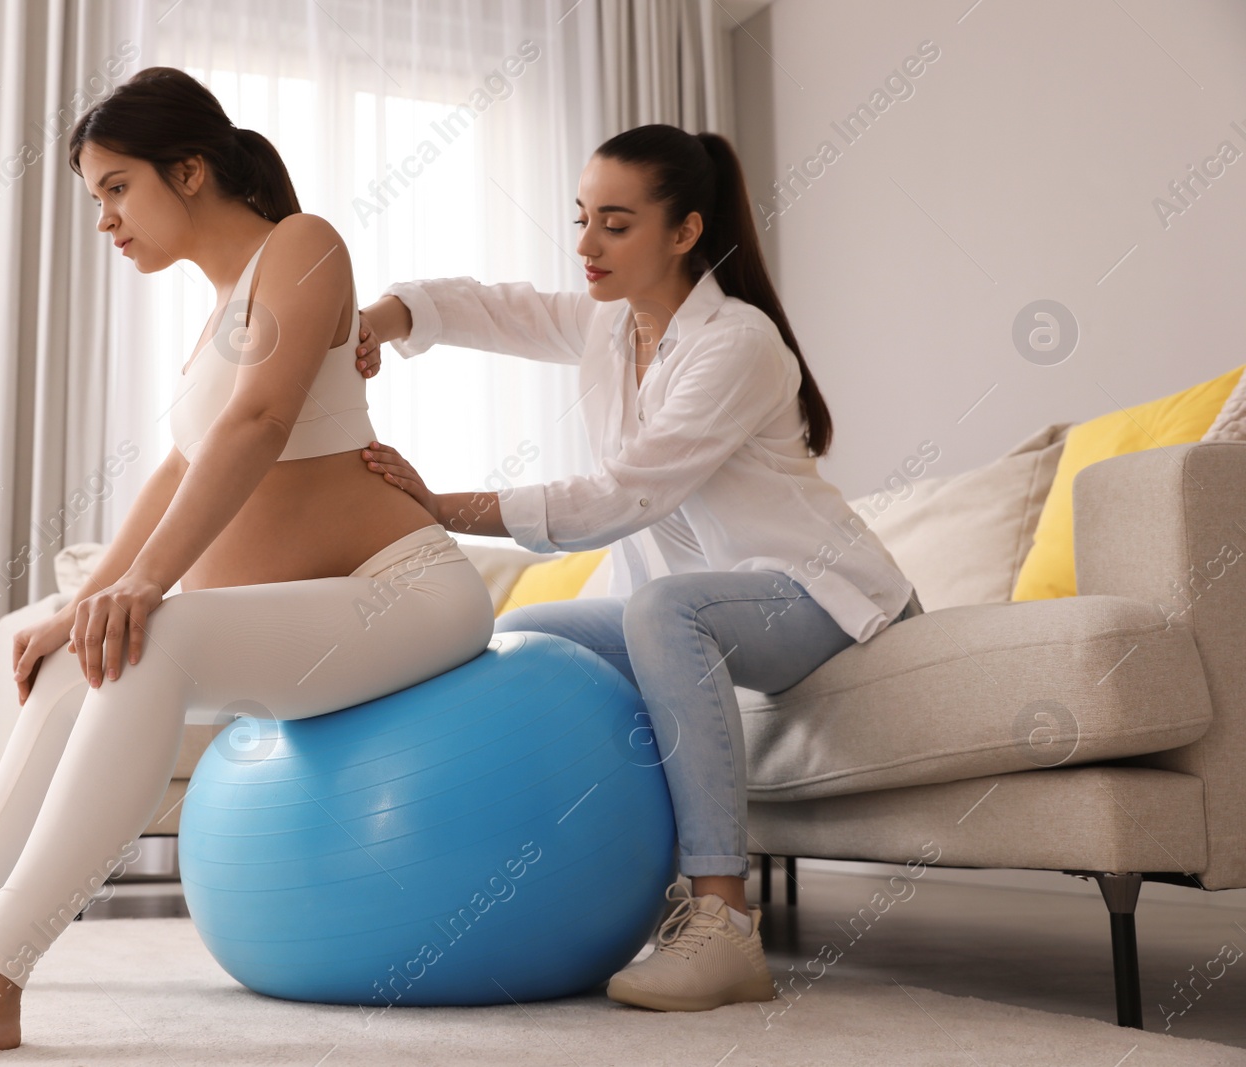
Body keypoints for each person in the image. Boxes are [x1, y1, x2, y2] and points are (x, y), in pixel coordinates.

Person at [0, 67, 493, 1067]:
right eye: (95, 196)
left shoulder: (304, 243)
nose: (104, 218)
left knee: (150, 639)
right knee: (71, 653)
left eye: (115, 187)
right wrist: (84, 600)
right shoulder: (216, 319)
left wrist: (144, 585)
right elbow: (181, 463)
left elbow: (257, 422)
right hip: (328, 612)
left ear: (188, 170)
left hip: (407, 593)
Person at [352, 123, 923, 1014]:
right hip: (705, 603)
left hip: (819, 593)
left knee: (660, 610)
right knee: (520, 634)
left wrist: (442, 507)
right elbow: (483, 304)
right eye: (581, 217)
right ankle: (617, 886)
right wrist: (378, 322)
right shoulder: (609, 327)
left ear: (685, 231)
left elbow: (624, 495)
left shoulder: (736, 341)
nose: (585, 244)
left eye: (614, 224)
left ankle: (723, 920)